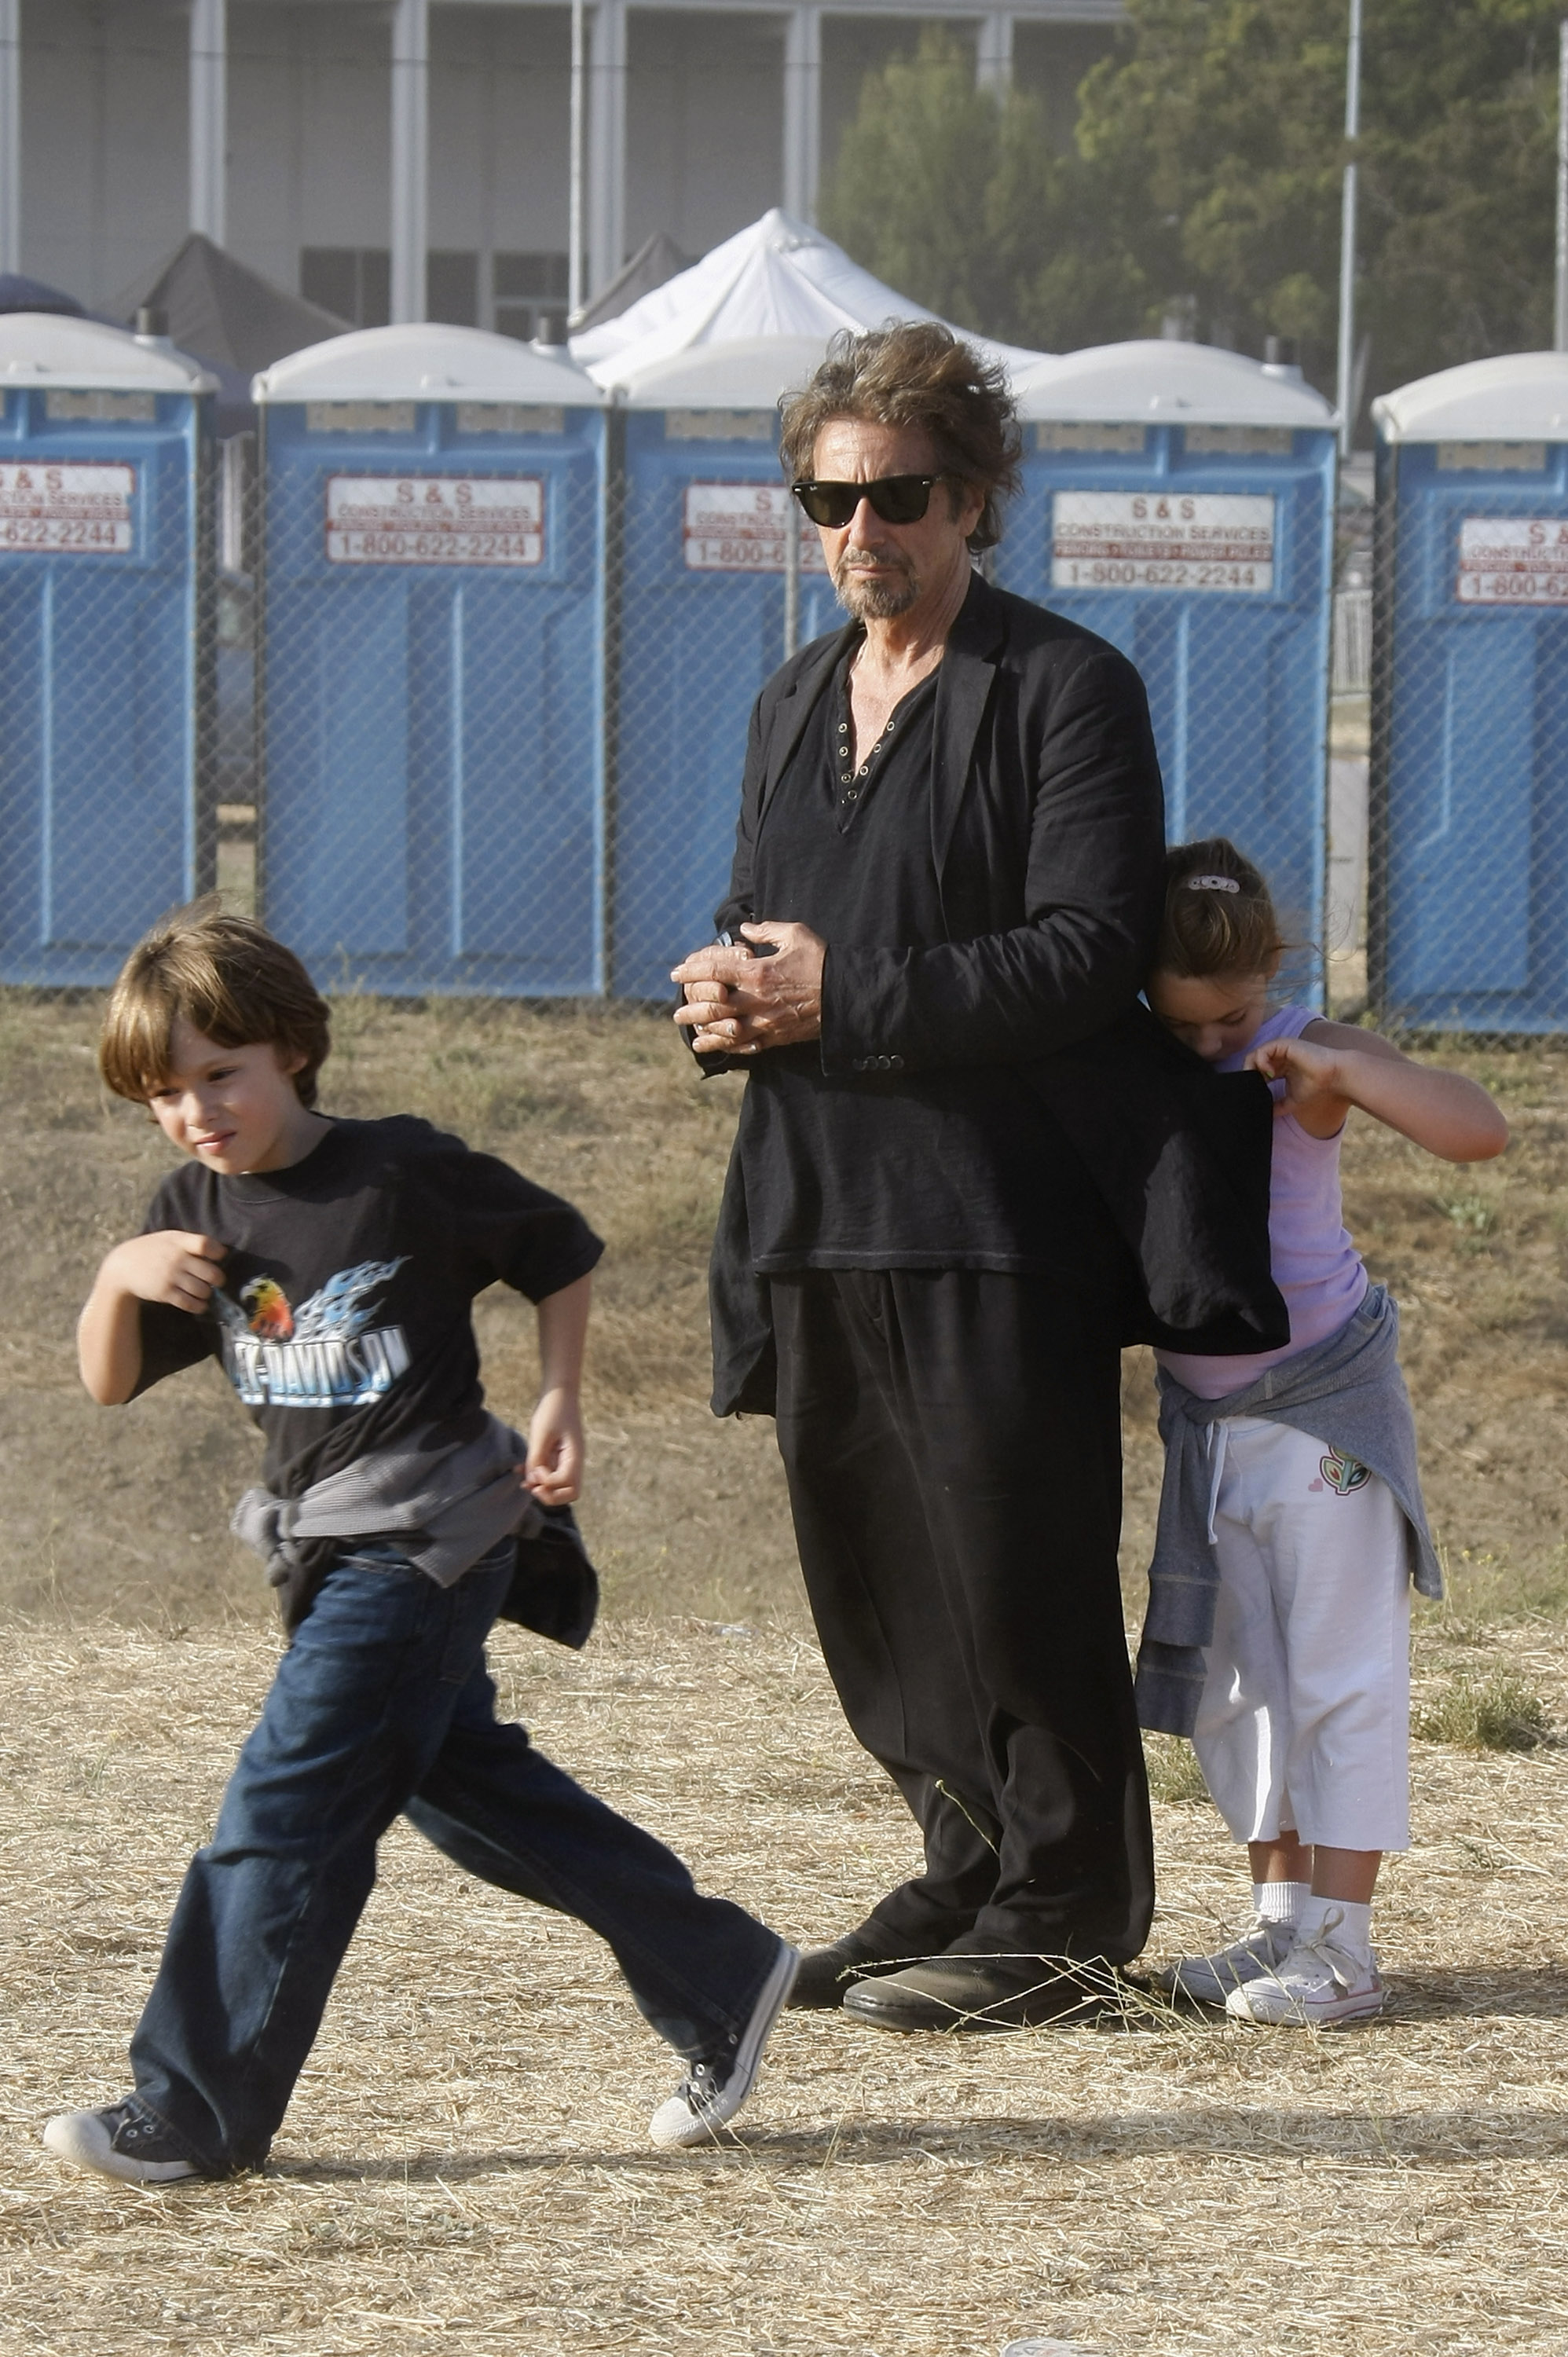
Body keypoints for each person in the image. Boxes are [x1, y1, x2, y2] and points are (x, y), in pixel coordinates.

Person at [671, 322, 1287, 2033]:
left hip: (991, 1211)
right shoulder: (792, 696)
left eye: (899, 496)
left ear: (974, 497)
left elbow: (1089, 950)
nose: (860, 531)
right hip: (812, 1197)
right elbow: (759, 915)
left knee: (1010, 1572)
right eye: (826, 498)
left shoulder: (1062, 688)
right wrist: (728, 1006)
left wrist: (839, 993)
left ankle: (1068, 1908)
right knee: (867, 1577)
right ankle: (958, 1866)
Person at [42, 902, 797, 2185]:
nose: (196, 1113)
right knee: (465, 1793)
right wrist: (119, 1274)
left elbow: (559, 1252)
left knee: (282, 1807)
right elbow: (108, 1383)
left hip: (434, 1535)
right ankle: (723, 1970)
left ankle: (194, 2109)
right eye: (164, 1095)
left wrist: (561, 1401)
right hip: (326, 1547)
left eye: (218, 1076)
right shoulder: (193, 1207)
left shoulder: (396, 1171)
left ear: (290, 1047)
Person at [1140, 839, 1507, 2024]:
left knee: (1340, 1675)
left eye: (1231, 1018)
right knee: (1245, 1683)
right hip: (1208, 1426)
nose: (1212, 1048)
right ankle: (1278, 1927)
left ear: (1270, 978)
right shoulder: (1135, 1060)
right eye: (1183, 1024)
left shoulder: (1304, 1048)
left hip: (1323, 1413)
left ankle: (1346, 1952)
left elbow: (1475, 1132)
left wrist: (1325, 1063)